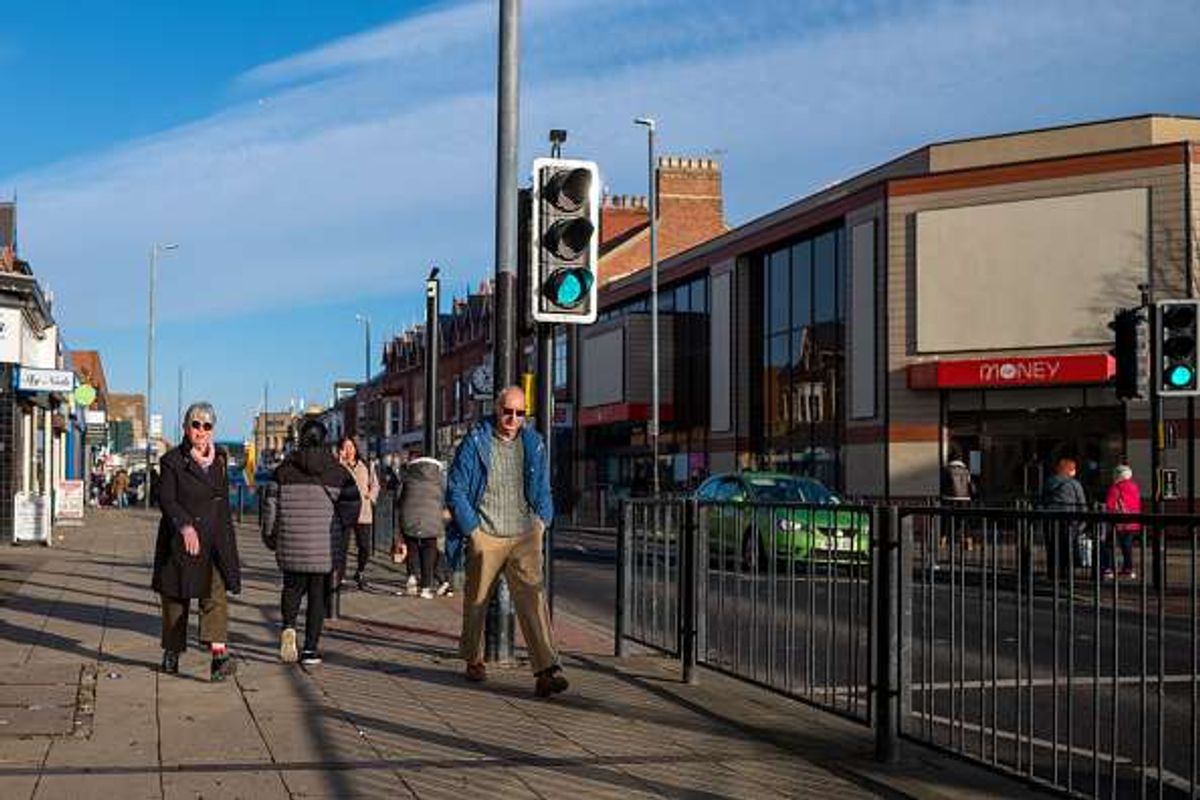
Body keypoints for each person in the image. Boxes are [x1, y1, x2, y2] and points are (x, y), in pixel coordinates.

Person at [446, 385, 567, 698]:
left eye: (520, 413)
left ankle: (547, 669)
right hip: (485, 533)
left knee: (533, 600)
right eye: (507, 411)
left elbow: (543, 487)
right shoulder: (476, 441)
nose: (513, 418)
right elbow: (456, 488)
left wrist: (541, 522)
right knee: (477, 601)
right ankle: (474, 659)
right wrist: (473, 531)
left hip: (525, 534)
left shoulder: (533, 442)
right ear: (496, 409)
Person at [151, 402, 242, 681]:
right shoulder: (172, 461)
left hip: (213, 542)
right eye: (195, 425)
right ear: (185, 427)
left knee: (215, 596)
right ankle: (172, 651)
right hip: (181, 541)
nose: (201, 431)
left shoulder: (219, 461)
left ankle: (219, 657)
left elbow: (222, 506)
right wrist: (185, 525)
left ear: (213, 430)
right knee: (175, 600)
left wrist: (228, 544)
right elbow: (166, 499)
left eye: (207, 426)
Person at [262, 420, 360, 666]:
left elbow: (270, 506)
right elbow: (352, 506)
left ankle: (288, 627)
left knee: (292, 588)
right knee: (317, 596)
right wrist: (341, 526)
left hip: (291, 542)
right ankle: (309, 650)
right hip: (323, 547)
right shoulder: (338, 472)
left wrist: (270, 536)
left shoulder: (283, 471)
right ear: (325, 440)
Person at [398, 455, 452, 599]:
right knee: (429, 552)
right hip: (432, 518)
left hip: (409, 516)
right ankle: (425, 588)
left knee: (412, 548)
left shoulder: (408, 476)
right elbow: (445, 496)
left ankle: (412, 575)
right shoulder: (439, 478)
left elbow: (399, 496)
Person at [337, 437, 379, 590]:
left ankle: (360, 571)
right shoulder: (338, 466)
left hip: (363, 511)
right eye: (345, 447)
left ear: (356, 448)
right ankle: (340, 577)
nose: (349, 450)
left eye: (351, 447)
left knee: (364, 546)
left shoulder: (366, 465)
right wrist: (340, 461)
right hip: (344, 511)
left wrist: (370, 496)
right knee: (342, 547)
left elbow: (375, 485)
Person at [1041, 457, 1088, 581]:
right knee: (1068, 548)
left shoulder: (1049, 482)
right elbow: (1082, 504)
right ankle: (1067, 574)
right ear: (1070, 470)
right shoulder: (1074, 484)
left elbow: (1042, 500)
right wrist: (1081, 525)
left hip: (1051, 520)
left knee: (1052, 547)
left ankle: (1053, 573)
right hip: (1069, 521)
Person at [1103, 464, 1142, 580]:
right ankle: (1128, 569)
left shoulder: (1116, 487)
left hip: (1119, 521)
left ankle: (1109, 569)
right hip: (1133, 522)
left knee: (1109, 545)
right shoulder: (1134, 487)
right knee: (1127, 546)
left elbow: (1110, 504)